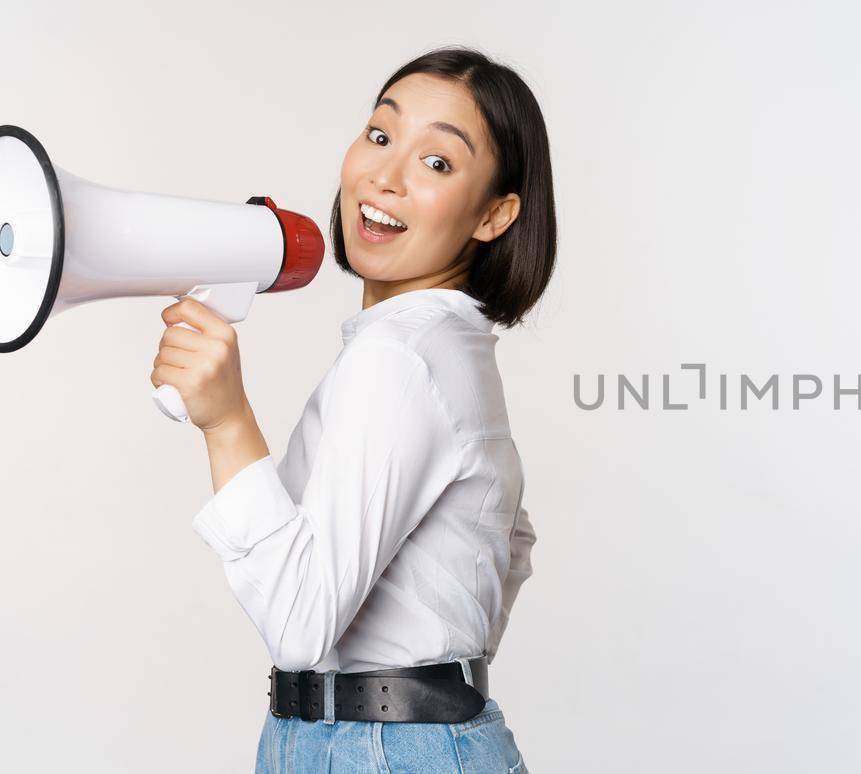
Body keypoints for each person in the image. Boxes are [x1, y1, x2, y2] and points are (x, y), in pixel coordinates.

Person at [149, 45, 557, 773]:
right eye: (380, 135)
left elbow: (302, 627)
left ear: (495, 214)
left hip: (380, 748)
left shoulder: (398, 355)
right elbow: (508, 542)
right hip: (410, 739)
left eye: (437, 163)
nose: (385, 176)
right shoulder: (451, 344)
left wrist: (227, 422)